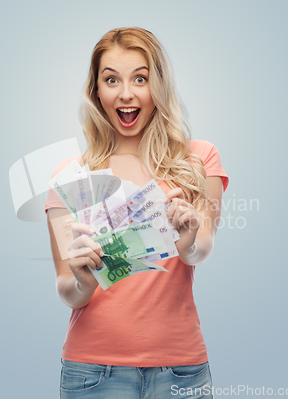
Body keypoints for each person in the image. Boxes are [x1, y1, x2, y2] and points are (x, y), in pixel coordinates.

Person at [46, 27, 229, 399]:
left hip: (182, 371)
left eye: (140, 79)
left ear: (158, 86)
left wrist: (188, 241)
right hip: (93, 373)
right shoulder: (70, 176)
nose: (126, 93)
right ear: (96, 90)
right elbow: (67, 289)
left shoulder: (198, 159)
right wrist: (83, 281)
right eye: (111, 79)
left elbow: (202, 250)